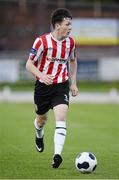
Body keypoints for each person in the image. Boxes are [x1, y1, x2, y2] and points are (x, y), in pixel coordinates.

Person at [26, 8, 78, 168]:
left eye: (70, 24)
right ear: (57, 25)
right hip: (43, 86)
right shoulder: (41, 42)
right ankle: (39, 134)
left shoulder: (71, 42)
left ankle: (57, 155)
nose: (70, 27)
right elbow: (28, 64)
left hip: (61, 86)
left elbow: (73, 61)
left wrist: (73, 82)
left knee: (61, 118)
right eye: (67, 24)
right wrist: (41, 75)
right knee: (42, 119)